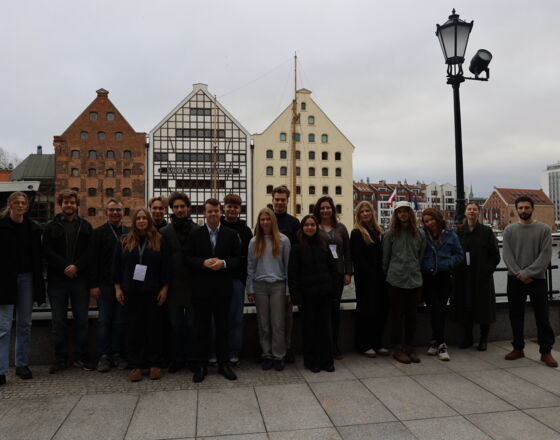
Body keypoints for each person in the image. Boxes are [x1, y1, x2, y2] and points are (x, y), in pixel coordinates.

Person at [186, 198, 242, 382]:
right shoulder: (195, 234)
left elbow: (239, 259)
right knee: (201, 328)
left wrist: (224, 263)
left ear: (221, 212)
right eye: (210, 211)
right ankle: (201, 366)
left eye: (216, 211)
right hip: (201, 291)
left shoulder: (231, 234)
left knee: (223, 328)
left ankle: (223, 364)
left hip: (223, 290)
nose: (213, 214)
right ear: (204, 213)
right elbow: (187, 259)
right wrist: (202, 262)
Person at [114, 208, 171, 381]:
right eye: (138, 218)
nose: (141, 221)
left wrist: (164, 289)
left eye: (144, 218)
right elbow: (116, 266)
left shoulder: (160, 240)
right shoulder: (124, 241)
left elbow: (166, 267)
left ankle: (155, 364)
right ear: (134, 221)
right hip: (131, 292)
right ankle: (135, 365)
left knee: (154, 328)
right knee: (133, 329)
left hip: (153, 292)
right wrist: (117, 288)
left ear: (149, 220)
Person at [502, 196, 557, 367]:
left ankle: (546, 352)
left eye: (527, 207)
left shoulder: (544, 230)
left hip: (537, 279)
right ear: (517, 209)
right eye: (520, 208)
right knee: (515, 315)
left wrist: (528, 273)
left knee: (543, 317)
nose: (523, 210)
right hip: (515, 279)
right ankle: (518, 348)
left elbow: (545, 255)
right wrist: (520, 274)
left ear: (532, 208)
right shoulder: (509, 230)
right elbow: (507, 255)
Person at [44, 189, 94, 373]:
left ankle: (81, 357)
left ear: (76, 205)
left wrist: (77, 267)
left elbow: (90, 252)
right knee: (58, 322)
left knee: (82, 321)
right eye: (66, 202)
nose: (69, 205)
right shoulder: (50, 227)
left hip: (80, 280)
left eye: (72, 202)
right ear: (61, 204)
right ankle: (60, 359)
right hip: (58, 280)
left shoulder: (86, 226)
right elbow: (47, 252)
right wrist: (66, 267)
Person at [0, 192, 45, 386]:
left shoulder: (32, 228)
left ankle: (22, 364)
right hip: (4, 280)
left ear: (26, 207)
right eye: (16, 203)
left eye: (23, 203)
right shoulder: (0, 226)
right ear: (9, 205)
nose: (20, 206)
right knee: (3, 326)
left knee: (25, 324)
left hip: (26, 278)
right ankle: (1, 370)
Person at [288, 215, 337, 372]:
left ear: (316, 227)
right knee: (309, 331)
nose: (310, 227)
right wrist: (297, 298)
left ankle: (327, 361)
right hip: (307, 297)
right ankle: (311, 361)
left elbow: (332, 269)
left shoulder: (324, 245)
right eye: (307, 225)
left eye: (312, 225)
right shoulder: (296, 248)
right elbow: (293, 275)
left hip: (324, 295)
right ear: (302, 228)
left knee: (325, 330)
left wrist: (333, 290)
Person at [246, 208, 291, 371]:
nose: (265, 222)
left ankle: (279, 355)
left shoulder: (284, 241)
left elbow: (288, 267)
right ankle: (267, 354)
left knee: (278, 323)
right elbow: (250, 267)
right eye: (262, 219)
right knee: (263, 324)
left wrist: (288, 290)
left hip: (278, 285)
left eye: (268, 219)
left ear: (273, 221)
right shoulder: (254, 242)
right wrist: (250, 288)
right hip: (260, 286)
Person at [452, 202, 500, 351]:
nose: (471, 211)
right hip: (463, 276)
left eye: (474, 209)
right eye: (469, 209)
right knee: (465, 306)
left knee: (484, 307)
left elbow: (495, 255)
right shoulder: (459, 231)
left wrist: (487, 271)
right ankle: (468, 338)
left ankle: (483, 339)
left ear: (479, 213)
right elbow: (453, 251)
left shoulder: (486, 232)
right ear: (465, 213)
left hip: (481, 276)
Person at [382, 201, 426, 364]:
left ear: (410, 213)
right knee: (396, 316)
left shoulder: (419, 234)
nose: (402, 214)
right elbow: (385, 259)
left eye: (405, 211)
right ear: (396, 215)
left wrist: (413, 268)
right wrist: (390, 274)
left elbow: (421, 255)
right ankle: (397, 347)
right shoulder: (390, 234)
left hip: (414, 280)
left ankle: (410, 346)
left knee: (412, 316)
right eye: (399, 212)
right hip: (395, 280)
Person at [89, 198, 129, 372]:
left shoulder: (128, 232)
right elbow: (93, 261)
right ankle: (104, 355)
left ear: (123, 212)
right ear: (107, 212)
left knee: (120, 321)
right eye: (112, 210)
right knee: (104, 321)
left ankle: (117, 353)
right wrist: (93, 285)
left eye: (118, 210)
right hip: (104, 285)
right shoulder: (98, 233)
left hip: (123, 285)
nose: (115, 213)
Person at [159, 192, 198, 373]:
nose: (180, 210)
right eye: (176, 207)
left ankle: (192, 358)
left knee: (192, 324)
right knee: (175, 325)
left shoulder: (198, 230)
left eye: (183, 206)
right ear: (172, 209)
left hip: (192, 285)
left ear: (188, 208)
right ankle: (178, 358)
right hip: (172, 285)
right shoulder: (164, 232)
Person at [420, 208, 464, 361]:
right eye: (426, 221)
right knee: (434, 309)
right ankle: (441, 343)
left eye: (431, 219)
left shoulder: (450, 235)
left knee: (440, 310)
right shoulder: (422, 236)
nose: (429, 223)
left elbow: (459, 255)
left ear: (437, 218)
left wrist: (446, 263)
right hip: (428, 278)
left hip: (444, 277)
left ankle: (435, 342)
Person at [314, 196, 352, 359]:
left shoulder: (341, 228)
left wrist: (348, 272)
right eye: (322, 208)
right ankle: (321, 345)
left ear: (332, 210)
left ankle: (334, 346)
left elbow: (347, 252)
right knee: (320, 311)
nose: (325, 210)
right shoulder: (314, 226)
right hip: (320, 275)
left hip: (337, 274)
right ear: (318, 210)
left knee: (335, 311)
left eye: (328, 208)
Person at [350, 201, 388, 358]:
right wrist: (372, 273)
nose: (365, 213)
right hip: (366, 280)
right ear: (358, 215)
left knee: (379, 312)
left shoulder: (377, 231)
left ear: (372, 213)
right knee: (366, 312)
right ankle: (364, 344)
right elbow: (358, 258)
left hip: (379, 279)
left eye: (367, 211)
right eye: (362, 212)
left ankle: (377, 343)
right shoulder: (357, 233)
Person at [221, 194, 253, 366]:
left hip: (237, 280)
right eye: (229, 206)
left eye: (235, 207)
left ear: (239, 209)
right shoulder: (217, 226)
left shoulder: (245, 230)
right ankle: (217, 351)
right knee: (217, 318)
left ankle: (233, 352)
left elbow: (250, 257)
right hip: (218, 280)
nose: (232, 209)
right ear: (223, 207)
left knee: (235, 318)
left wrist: (247, 281)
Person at [271, 185, 299, 363]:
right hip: (267, 277)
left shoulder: (293, 223)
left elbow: (296, 253)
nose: (280, 202)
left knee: (287, 318)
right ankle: (269, 350)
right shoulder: (265, 219)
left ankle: (287, 348)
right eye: (277, 199)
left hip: (286, 277)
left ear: (287, 201)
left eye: (283, 200)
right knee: (268, 318)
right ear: (272, 200)